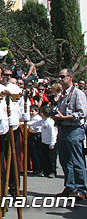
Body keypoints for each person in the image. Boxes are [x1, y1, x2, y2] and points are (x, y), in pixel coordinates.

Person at [54, 68, 87, 199]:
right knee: (65, 160)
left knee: (77, 160)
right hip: (63, 129)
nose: (60, 79)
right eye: (59, 77)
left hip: (74, 130)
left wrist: (65, 117)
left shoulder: (78, 93)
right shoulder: (62, 94)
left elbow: (82, 113)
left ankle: (81, 189)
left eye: (62, 77)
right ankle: (70, 187)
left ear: (70, 77)